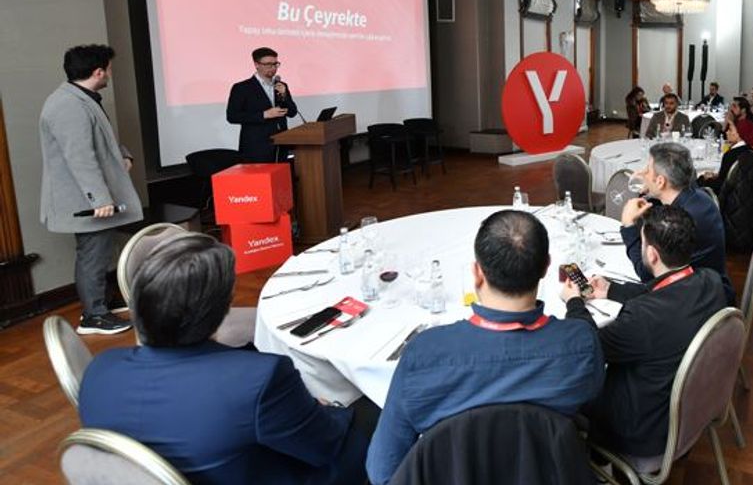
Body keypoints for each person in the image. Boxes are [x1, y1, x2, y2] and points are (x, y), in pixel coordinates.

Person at [79, 234, 371, 483]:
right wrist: (333, 409)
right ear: (220, 312)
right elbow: (326, 445)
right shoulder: (259, 379)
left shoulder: (99, 370)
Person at [367, 211, 604, 485]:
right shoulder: (581, 345)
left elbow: (382, 472)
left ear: (477, 273)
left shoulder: (424, 354)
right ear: (546, 267)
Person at [571, 205, 726, 460]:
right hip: (693, 407)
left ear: (652, 254)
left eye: (642, 242)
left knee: (570, 385)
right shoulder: (711, 281)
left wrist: (574, 302)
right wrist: (610, 290)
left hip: (644, 432)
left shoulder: (642, 319)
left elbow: (587, 347)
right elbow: (665, 293)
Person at [40, 44, 141, 335]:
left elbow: (100, 139)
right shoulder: (68, 105)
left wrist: (123, 155)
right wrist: (99, 198)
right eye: (108, 69)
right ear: (98, 72)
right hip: (84, 200)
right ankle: (93, 316)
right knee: (92, 254)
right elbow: (79, 156)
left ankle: (101, 304)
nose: (110, 74)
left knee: (99, 251)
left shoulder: (82, 98)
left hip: (91, 196)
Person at [619, 141, 734, 305]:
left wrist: (628, 226)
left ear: (661, 181)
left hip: (697, 303)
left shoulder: (682, 220)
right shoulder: (698, 196)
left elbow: (648, 274)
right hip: (713, 287)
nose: (642, 173)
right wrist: (651, 190)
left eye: (647, 169)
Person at [226, 47, 297, 163]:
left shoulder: (281, 85)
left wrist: (284, 95)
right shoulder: (242, 88)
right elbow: (232, 116)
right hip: (257, 147)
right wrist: (264, 115)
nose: (273, 68)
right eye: (268, 64)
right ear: (256, 65)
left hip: (281, 144)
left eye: (275, 64)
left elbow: (292, 112)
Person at [698, 117, 753, 195]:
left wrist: (705, 179)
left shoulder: (731, 155)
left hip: (728, 195)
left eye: (730, 130)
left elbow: (722, 185)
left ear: (739, 134)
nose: (727, 132)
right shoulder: (752, 152)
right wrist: (717, 176)